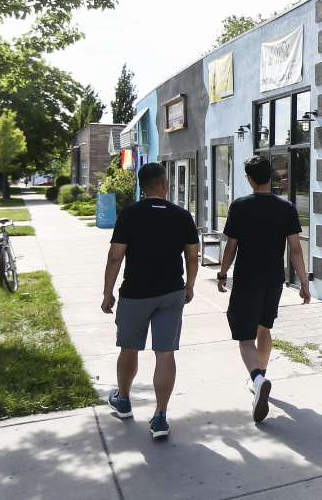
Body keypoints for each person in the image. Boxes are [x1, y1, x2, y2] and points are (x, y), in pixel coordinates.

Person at [101, 162, 199, 440]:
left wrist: (107, 292)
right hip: (171, 293)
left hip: (135, 293)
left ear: (141, 187)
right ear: (164, 184)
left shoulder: (130, 214)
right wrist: (189, 286)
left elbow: (115, 256)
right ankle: (160, 417)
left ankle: (123, 400)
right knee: (165, 353)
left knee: (129, 348)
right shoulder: (182, 216)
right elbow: (192, 257)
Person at [216, 155, 311, 423]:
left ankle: (257, 379)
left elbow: (231, 246)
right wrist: (303, 283)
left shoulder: (240, 206)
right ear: (271, 177)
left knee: (245, 337)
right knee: (264, 328)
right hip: (273, 280)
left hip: (247, 279)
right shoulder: (287, 208)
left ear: (249, 178)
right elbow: (295, 249)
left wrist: (222, 273)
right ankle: (263, 374)